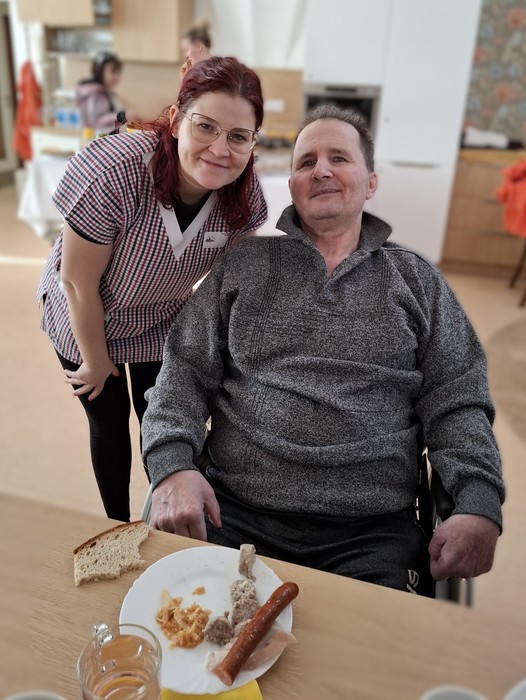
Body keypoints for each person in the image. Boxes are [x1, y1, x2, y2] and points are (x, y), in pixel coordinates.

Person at [141, 104, 505, 596]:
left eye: (339, 157)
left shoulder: (417, 281)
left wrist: (478, 501)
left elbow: (457, 401)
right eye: (306, 162)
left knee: (375, 646)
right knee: (186, 629)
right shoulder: (244, 265)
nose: (322, 170)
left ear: (370, 182)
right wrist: (172, 466)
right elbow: (182, 373)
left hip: (371, 532)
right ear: (292, 185)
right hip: (233, 512)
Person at [36, 56, 267, 522]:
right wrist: (95, 361)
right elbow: (77, 281)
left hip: (159, 317)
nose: (220, 150)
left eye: (238, 136)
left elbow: (224, 288)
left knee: (161, 422)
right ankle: (117, 524)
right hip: (85, 312)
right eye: (205, 127)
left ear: (252, 142)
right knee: (107, 420)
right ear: (177, 120)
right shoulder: (115, 172)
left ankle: (167, 518)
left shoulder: (242, 198)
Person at [75, 51, 127, 134]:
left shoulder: (104, 91)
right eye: (113, 72)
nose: (117, 76)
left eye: (118, 72)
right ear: (100, 71)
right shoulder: (96, 94)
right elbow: (96, 122)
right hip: (96, 137)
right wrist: (122, 116)